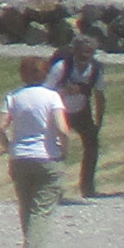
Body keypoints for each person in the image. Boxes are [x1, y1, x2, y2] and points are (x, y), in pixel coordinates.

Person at [0, 55, 69, 248]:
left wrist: (8, 146)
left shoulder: (13, 97)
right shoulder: (52, 96)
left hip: (20, 157)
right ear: (45, 74)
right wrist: (64, 149)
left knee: (26, 207)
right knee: (42, 209)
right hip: (47, 156)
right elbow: (62, 129)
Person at [49, 34, 108, 199]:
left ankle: (88, 188)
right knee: (55, 148)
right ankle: (54, 189)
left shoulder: (96, 70)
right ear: (74, 51)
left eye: (89, 52)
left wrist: (98, 122)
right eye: (82, 51)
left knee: (92, 145)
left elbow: (99, 95)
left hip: (82, 111)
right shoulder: (61, 67)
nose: (85, 56)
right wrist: (63, 91)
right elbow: (46, 91)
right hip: (60, 112)